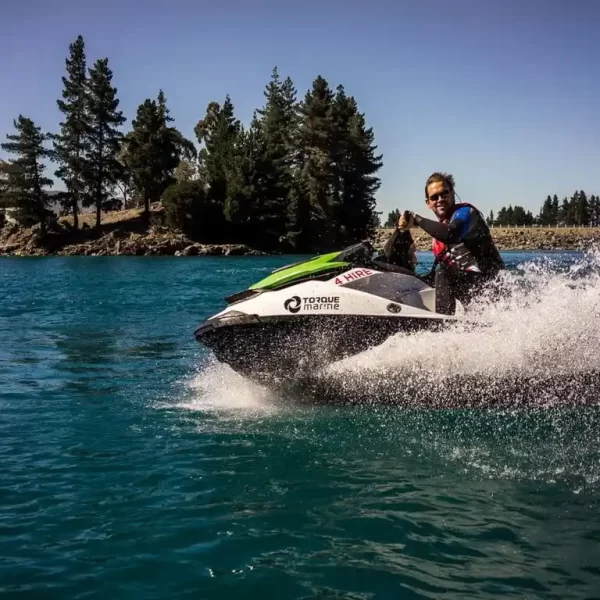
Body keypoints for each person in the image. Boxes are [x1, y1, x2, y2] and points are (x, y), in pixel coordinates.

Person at [398, 172, 505, 314]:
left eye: (444, 194)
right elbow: (433, 279)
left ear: (453, 193)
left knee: (443, 271)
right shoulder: (438, 236)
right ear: (428, 203)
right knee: (429, 276)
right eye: (434, 197)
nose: (440, 199)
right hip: (477, 296)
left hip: (494, 288)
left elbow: (452, 233)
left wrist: (417, 219)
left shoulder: (466, 213)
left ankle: (443, 327)